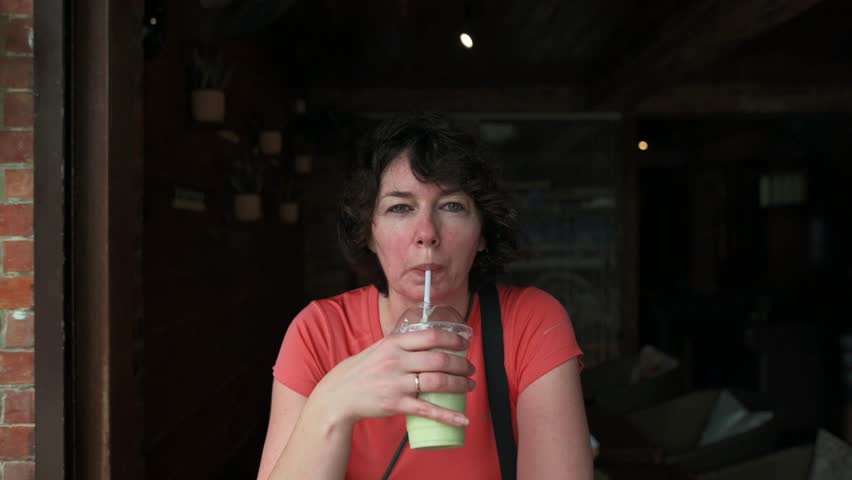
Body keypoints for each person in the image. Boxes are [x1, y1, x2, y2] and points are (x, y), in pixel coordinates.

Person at [257, 114, 592, 479]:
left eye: (451, 206)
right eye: (400, 207)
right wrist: (331, 405)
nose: (427, 233)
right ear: (369, 233)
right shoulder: (318, 333)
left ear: (482, 233)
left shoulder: (531, 322)